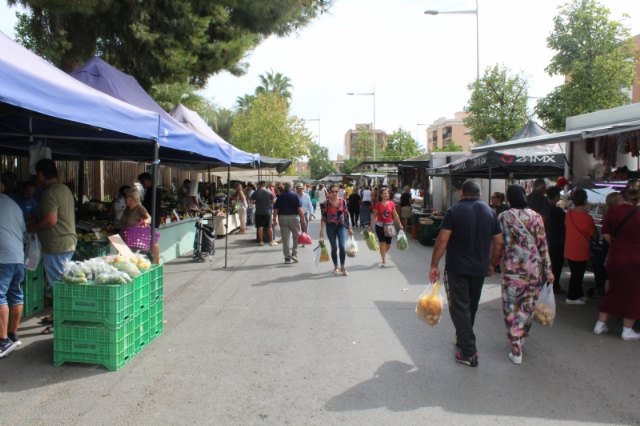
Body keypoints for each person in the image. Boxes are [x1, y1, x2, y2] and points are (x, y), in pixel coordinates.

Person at [429, 180, 503, 367]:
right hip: (479, 268)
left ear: (462, 193)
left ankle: (469, 353)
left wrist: (434, 264)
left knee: (459, 307)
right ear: (479, 193)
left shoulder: (454, 211)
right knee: (471, 305)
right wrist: (492, 263)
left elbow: (443, 240)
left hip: (457, 268)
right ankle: (463, 338)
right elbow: (499, 242)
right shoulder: (490, 212)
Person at [498, 185, 554, 365]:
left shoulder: (504, 217)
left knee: (512, 307)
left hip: (512, 271)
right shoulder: (536, 217)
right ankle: (521, 338)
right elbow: (543, 246)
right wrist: (549, 270)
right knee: (527, 306)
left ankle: (516, 350)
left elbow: (498, 244)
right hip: (533, 270)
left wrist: (493, 263)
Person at [28, 159, 77, 334]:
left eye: (37, 174)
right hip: (66, 242)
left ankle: (60, 323)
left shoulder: (50, 193)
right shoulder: (64, 189)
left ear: (41, 174)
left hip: (57, 245)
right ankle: (58, 316)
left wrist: (34, 227)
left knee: (58, 286)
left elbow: (51, 220)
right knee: (61, 282)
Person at [593, 180, 640, 340]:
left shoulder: (614, 211)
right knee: (634, 294)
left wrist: (618, 245)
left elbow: (605, 235)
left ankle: (600, 325)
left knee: (612, 290)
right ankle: (627, 330)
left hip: (615, 256)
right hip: (636, 259)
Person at [0, 180, 26, 358]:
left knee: (0, 295)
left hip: (3, 257)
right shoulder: (14, 204)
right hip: (18, 256)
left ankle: (2, 342)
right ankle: (12, 335)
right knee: (15, 294)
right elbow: (23, 229)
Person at [563, 189, 596, 305]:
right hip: (581, 250)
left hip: (569, 248)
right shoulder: (587, 218)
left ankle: (578, 295)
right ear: (585, 200)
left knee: (575, 273)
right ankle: (571, 297)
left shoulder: (569, 214)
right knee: (577, 275)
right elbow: (594, 234)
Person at [319, 183, 353, 276]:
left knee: (342, 246)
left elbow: (346, 215)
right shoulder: (326, 203)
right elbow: (323, 217)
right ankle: (335, 266)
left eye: (336, 191)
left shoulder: (343, 201)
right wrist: (321, 230)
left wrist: (349, 228)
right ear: (329, 192)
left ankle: (343, 267)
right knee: (334, 248)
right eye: (333, 191)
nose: (334, 193)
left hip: (341, 226)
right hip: (330, 227)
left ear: (339, 192)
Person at [120, 188, 160, 264]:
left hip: (135, 237)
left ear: (132, 199)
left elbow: (149, 218)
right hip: (125, 236)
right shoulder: (127, 209)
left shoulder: (139, 208)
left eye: (127, 197)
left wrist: (145, 221)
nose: (125, 199)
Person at [273, 182, 306, 264]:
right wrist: (303, 219)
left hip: (282, 218)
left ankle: (287, 258)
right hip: (294, 218)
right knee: (296, 237)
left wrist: (274, 219)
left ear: (284, 187)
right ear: (291, 187)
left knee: (285, 239)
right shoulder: (295, 195)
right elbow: (299, 209)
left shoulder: (280, 196)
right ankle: (294, 254)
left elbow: (276, 209)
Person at [370, 187, 404, 267]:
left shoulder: (391, 203)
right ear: (381, 195)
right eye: (384, 193)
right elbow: (374, 216)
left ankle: (383, 253)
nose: (386, 194)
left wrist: (400, 224)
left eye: (387, 193)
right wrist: (371, 226)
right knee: (382, 243)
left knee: (388, 245)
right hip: (380, 226)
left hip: (390, 226)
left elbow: (395, 215)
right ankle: (384, 260)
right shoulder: (377, 204)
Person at [546, 186, 566, 294]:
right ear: (556, 196)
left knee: (548, 264)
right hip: (557, 241)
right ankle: (554, 285)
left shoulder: (545, 209)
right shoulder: (558, 211)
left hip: (546, 239)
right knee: (556, 264)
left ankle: (548, 284)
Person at [250, 181, 276, 246]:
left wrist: (256, 202)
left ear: (259, 185)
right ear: (264, 185)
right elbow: (273, 201)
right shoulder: (269, 192)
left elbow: (251, 201)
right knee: (269, 227)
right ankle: (271, 241)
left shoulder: (256, 192)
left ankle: (261, 241)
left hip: (258, 212)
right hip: (267, 212)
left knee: (260, 227)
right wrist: (268, 202)